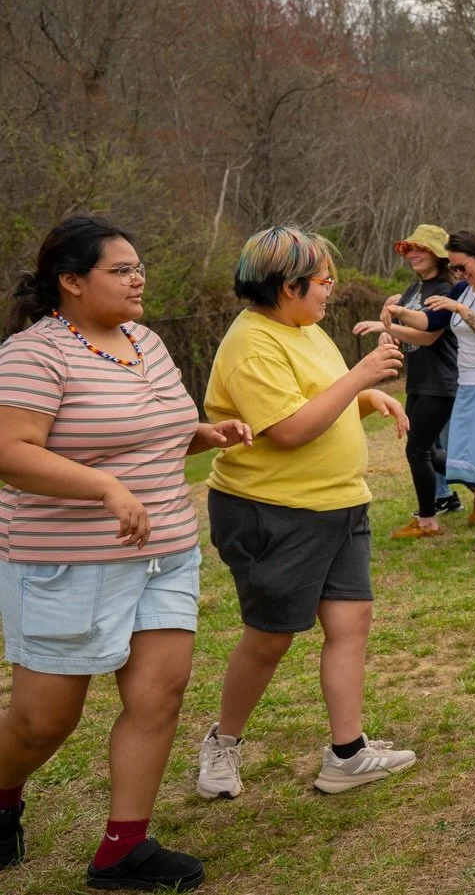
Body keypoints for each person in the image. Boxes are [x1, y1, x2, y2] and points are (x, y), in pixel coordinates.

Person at [0, 216, 251, 891]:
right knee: (43, 720)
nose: (139, 278)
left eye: (139, 267)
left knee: (158, 696)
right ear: (72, 281)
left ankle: (122, 849)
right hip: (67, 562)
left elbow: (149, 430)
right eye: (121, 269)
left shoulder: (144, 339)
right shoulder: (34, 352)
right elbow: (10, 453)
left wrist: (202, 433)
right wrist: (104, 486)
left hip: (163, 551)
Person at [196, 226, 416, 800]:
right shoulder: (252, 344)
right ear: (288, 286)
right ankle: (222, 743)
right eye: (323, 281)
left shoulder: (306, 330)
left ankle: (347, 754)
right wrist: (362, 377)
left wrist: (369, 396)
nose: (331, 290)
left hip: (339, 503)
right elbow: (290, 430)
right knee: (270, 637)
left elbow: (322, 396)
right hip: (274, 512)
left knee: (351, 623)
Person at [383, 231, 475, 550]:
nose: (459, 275)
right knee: (467, 459)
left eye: (463, 267)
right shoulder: (463, 289)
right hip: (467, 384)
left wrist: (460, 310)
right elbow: (430, 320)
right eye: (455, 269)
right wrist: (397, 316)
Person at [354, 225, 460, 538]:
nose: (412, 254)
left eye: (420, 249)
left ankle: (428, 520)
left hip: (442, 379)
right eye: (409, 249)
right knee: (424, 448)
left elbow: (429, 335)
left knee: (417, 449)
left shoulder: (446, 290)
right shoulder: (416, 289)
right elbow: (399, 320)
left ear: (438, 255)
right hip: (419, 379)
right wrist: (389, 330)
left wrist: (386, 323)